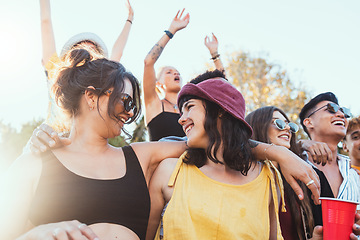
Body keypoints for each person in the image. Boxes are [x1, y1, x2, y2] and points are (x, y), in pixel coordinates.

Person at [0, 49, 186, 240]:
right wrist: (36, 234)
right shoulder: (32, 164)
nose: (130, 113)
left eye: (132, 106)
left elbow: (197, 143)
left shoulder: (140, 156)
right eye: (125, 101)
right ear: (91, 96)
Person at [145, 71, 311, 240]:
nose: (181, 119)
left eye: (190, 107)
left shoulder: (267, 179)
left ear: (220, 110)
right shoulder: (169, 172)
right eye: (182, 112)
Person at [40, 0, 134, 132]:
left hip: (84, 146)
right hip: (51, 140)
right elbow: (46, 23)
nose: (88, 54)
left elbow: (117, 53)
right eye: (82, 49)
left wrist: (130, 19)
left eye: (93, 51)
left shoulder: (100, 80)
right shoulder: (56, 71)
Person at [143, 10, 225, 141]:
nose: (175, 73)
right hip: (163, 161)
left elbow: (223, 85)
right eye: (168, 72)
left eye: (177, 72)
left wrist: (215, 54)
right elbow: (148, 62)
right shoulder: (154, 104)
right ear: (158, 83)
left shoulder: (193, 106)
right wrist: (171, 31)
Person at [246, 106, 323, 240]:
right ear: (258, 126)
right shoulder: (246, 175)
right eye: (278, 123)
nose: (287, 129)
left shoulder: (294, 181)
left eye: (290, 126)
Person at [299, 92, 360, 225]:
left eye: (343, 112)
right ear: (309, 122)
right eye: (330, 109)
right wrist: (300, 144)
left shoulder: (354, 173)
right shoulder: (296, 162)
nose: (341, 115)